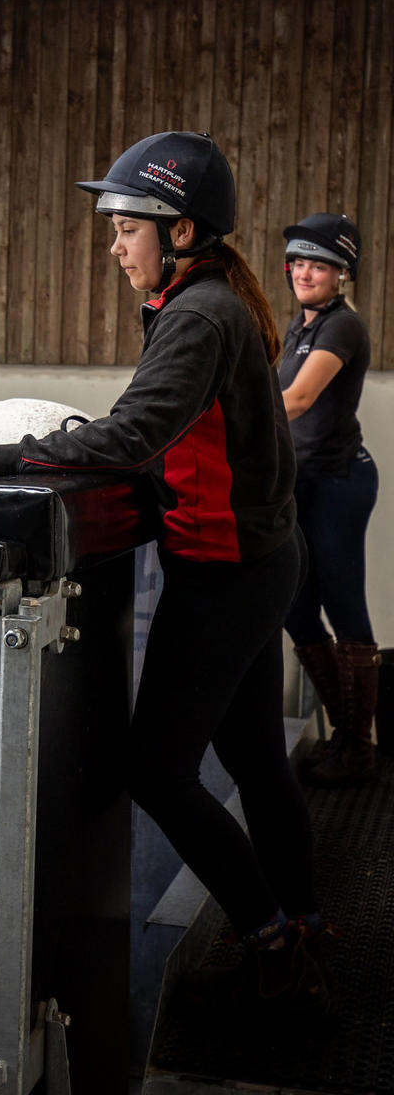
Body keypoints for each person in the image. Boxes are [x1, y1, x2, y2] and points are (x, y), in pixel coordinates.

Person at [0, 132, 328, 1016]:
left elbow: (129, 436)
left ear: (180, 230)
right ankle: (301, 922)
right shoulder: (204, 299)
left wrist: (17, 453)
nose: (115, 246)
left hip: (226, 576)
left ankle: (273, 944)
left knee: (157, 774)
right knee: (252, 756)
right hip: (257, 562)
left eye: (126, 229)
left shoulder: (198, 315)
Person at [278, 213, 379, 788]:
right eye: (298, 262)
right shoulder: (300, 325)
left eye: (318, 265)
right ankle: (345, 733)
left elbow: (296, 399)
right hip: (303, 482)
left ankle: (358, 749)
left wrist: (224, 421)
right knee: (295, 607)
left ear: (342, 274)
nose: (305, 273)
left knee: (343, 604)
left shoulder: (342, 327)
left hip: (339, 482)